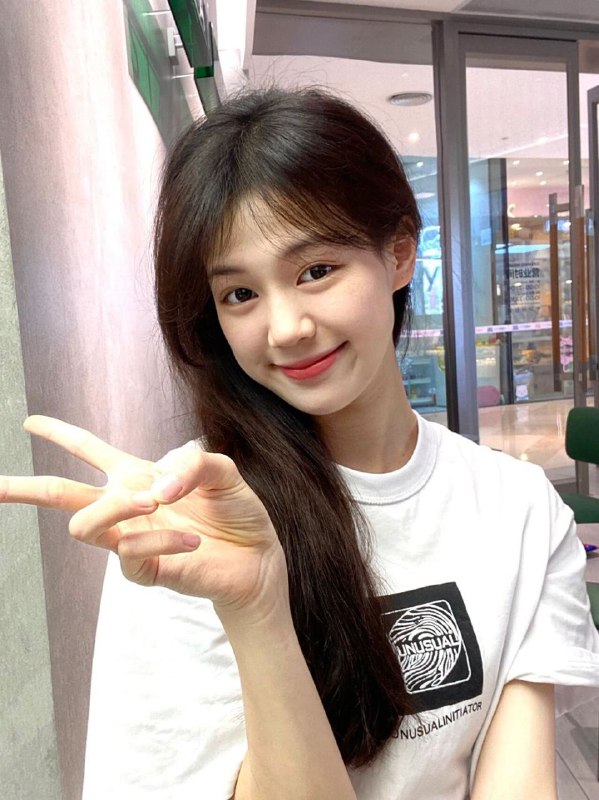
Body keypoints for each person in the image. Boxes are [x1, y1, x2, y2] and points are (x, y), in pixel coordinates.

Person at [3, 85, 599, 800]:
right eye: (240, 295)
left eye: (316, 271)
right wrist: (256, 608)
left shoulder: (518, 509)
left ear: (399, 253)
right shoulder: (186, 524)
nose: (285, 328)